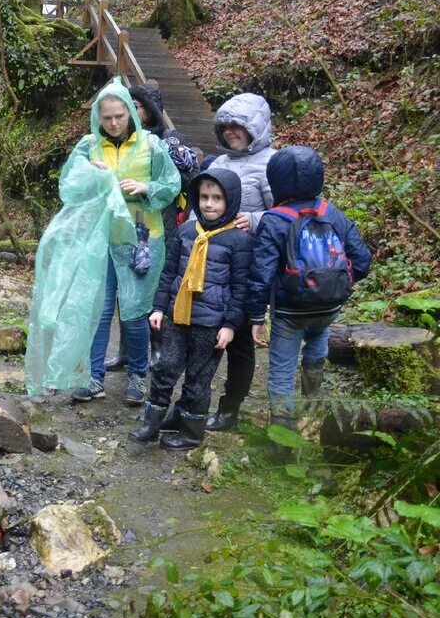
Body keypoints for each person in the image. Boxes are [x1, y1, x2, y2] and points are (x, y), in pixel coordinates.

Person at [245, 146, 371, 445]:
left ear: (276, 180)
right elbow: (362, 261)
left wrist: (255, 316)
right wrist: (336, 285)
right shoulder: (332, 214)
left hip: (289, 312)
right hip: (328, 307)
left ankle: (283, 441)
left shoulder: (274, 220)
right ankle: (313, 415)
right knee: (316, 351)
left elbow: (260, 273)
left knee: (281, 371)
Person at [68, 80, 182, 405]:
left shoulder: (152, 145)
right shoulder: (89, 146)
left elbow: (171, 183)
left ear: (131, 113)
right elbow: (69, 184)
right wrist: (89, 174)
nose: (114, 123)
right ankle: (93, 378)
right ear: (98, 118)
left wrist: (147, 188)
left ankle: (136, 377)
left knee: (134, 313)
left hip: (140, 239)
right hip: (101, 239)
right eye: (107, 118)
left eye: (120, 115)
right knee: (99, 311)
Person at [132, 169, 252, 450]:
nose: (209, 204)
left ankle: (192, 431)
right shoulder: (187, 231)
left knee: (198, 379)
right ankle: (151, 422)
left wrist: (230, 325)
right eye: (205, 197)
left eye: (217, 198)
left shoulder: (239, 240)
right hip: (178, 316)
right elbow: (169, 272)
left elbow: (240, 288)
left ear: (230, 201)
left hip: (211, 324)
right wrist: (159, 307)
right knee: (165, 367)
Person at [104, 83, 200, 373]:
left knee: (156, 286)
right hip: (128, 223)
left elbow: (190, 178)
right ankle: (126, 350)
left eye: (139, 105)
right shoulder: (121, 140)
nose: (132, 111)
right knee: (126, 286)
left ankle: (157, 347)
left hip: (162, 222)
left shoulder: (168, 140)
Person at [199, 93, 276, 432]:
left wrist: (255, 220)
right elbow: (198, 209)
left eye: (238, 125)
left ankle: (230, 408)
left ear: (254, 127)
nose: (231, 131)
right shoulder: (217, 165)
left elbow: (285, 214)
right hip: (211, 264)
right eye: (226, 125)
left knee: (241, 340)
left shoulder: (272, 163)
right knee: (205, 333)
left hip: (249, 265)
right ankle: (194, 402)